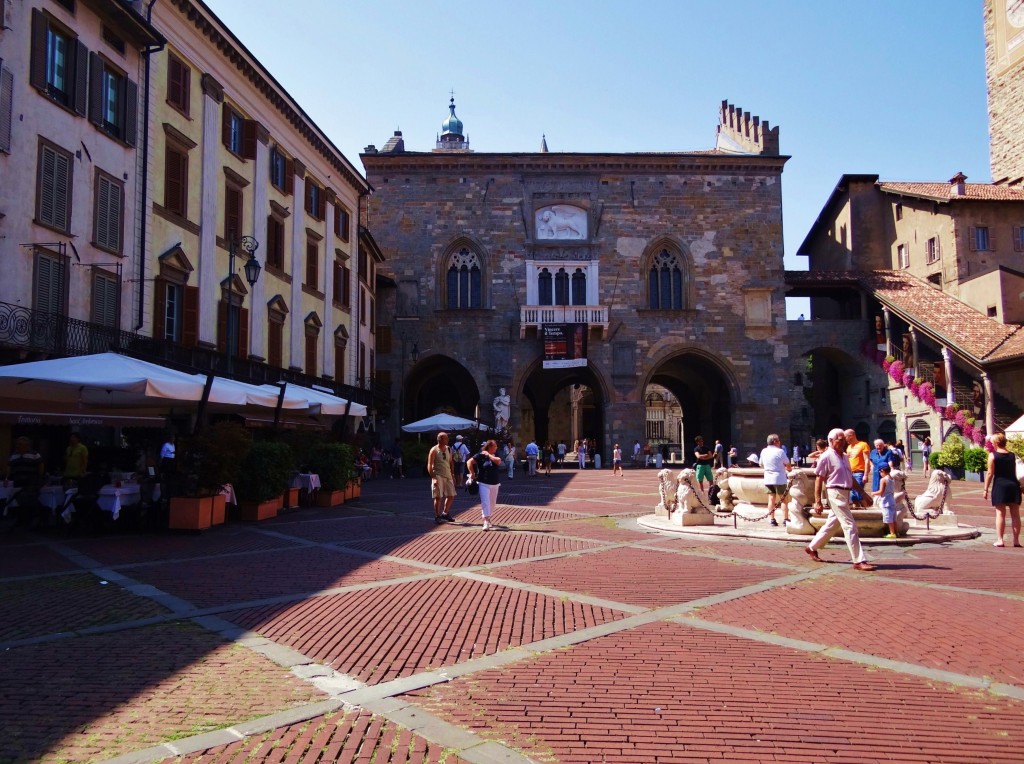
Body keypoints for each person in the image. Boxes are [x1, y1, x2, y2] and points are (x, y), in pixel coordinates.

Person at [806, 428, 875, 571]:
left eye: (844, 439)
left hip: (845, 492)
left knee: (832, 523)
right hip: (835, 492)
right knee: (850, 525)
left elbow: (850, 479)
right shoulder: (826, 456)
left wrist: (863, 494)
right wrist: (817, 501)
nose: (843, 441)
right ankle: (859, 560)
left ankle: (812, 547)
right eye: (840, 439)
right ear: (831, 441)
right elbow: (819, 479)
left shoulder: (844, 456)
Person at [983, 432, 1022, 548]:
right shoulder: (1012, 455)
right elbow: (1015, 472)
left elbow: (990, 473)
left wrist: (985, 489)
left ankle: (1000, 540)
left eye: (992, 442)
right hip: (1013, 485)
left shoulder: (992, 455)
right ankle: (1016, 541)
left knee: (1000, 514)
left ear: (995, 443)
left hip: (1000, 486)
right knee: (1015, 515)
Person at [468, 439, 503, 530]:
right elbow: (469, 462)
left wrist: (490, 455)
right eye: (495, 446)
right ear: (490, 447)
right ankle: (486, 521)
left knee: (492, 503)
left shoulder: (496, 455)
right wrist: (472, 473)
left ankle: (488, 518)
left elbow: (498, 461)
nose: (496, 448)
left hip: (495, 483)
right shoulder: (480, 455)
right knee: (485, 502)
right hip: (483, 482)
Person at [758, 433, 791, 526]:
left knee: (771, 499)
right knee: (784, 499)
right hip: (779, 478)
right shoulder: (780, 451)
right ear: (775, 441)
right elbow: (788, 464)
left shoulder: (764, 451)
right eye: (779, 440)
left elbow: (760, 464)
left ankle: (772, 519)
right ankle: (786, 519)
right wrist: (789, 469)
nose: (780, 442)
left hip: (768, 478)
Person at [427, 432, 456, 524]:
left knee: (451, 495)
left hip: (448, 475)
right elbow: (429, 464)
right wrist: (433, 477)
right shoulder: (434, 450)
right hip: (438, 475)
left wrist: (453, 474)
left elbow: (451, 462)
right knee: (438, 497)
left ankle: (445, 513)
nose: (448, 440)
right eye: (446, 438)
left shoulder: (448, 449)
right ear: (440, 439)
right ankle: (437, 515)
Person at [844, 429, 872, 508]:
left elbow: (867, 460)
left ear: (851, 435)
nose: (844, 439)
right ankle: (858, 512)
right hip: (850, 473)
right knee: (853, 496)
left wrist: (866, 474)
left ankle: (866, 512)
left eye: (845, 437)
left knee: (858, 493)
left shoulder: (863, 445)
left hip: (859, 472)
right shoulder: (848, 447)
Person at [871, 464, 898, 539]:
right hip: (892, 500)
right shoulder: (892, 479)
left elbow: (881, 492)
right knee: (893, 518)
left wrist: (873, 493)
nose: (880, 473)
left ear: (883, 471)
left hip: (885, 501)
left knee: (889, 518)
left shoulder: (883, 480)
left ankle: (892, 533)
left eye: (880, 472)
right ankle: (896, 532)